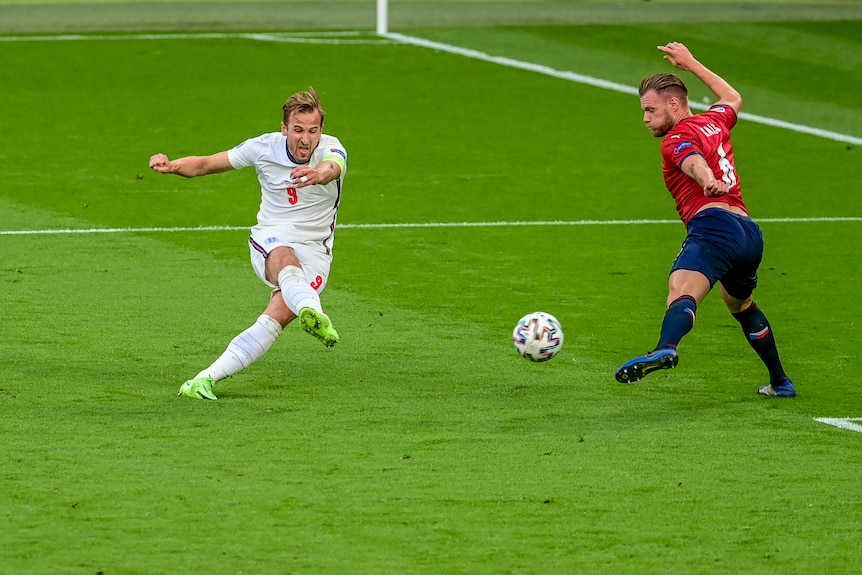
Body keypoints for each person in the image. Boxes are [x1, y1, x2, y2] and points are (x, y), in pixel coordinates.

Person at [614, 43, 796, 398]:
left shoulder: (677, 138)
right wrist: (692, 63)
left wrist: (706, 179)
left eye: (650, 110)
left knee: (682, 292)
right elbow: (732, 96)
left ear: (673, 104)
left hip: (714, 227)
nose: (646, 119)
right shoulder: (714, 121)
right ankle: (781, 382)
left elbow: (692, 160)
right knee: (741, 304)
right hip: (748, 234)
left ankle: (666, 347)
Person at [149, 86, 346, 400]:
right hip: (272, 237)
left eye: (312, 131)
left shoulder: (332, 149)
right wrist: (172, 166)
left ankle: (202, 380)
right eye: (297, 130)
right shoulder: (263, 147)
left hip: (317, 250)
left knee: (274, 319)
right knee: (285, 259)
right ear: (284, 129)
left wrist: (317, 174)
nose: (305, 139)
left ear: (321, 130)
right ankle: (313, 312)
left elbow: (331, 168)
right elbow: (205, 164)